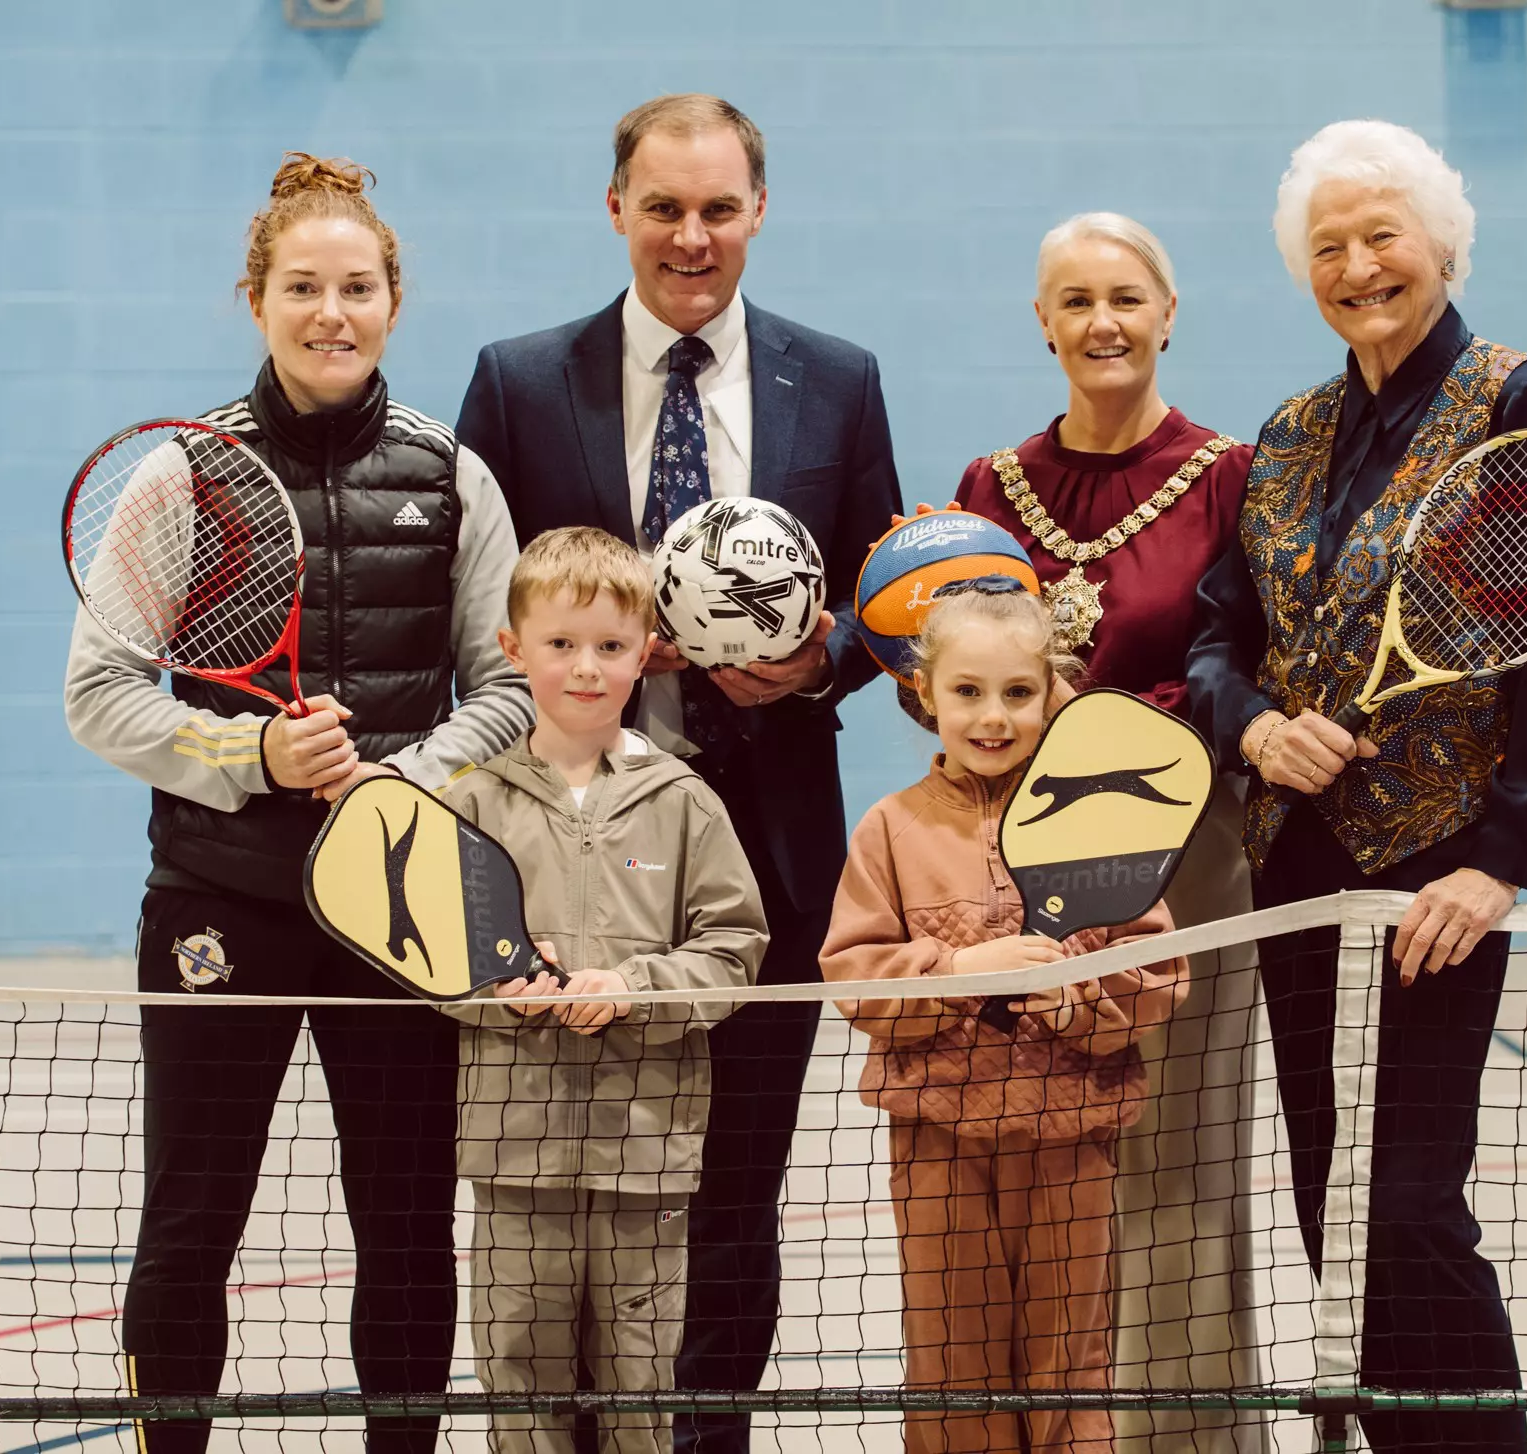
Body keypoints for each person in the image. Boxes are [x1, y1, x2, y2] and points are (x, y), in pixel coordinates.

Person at [64, 153, 532, 1454]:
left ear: (395, 301)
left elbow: (504, 690)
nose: (333, 311)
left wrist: (405, 775)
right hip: (222, 903)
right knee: (192, 1215)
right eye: (303, 286)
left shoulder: (452, 477)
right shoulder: (182, 477)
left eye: (359, 286)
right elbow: (99, 694)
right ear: (254, 298)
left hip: (400, 901)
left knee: (400, 1219)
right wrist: (253, 758)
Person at [455, 93, 901, 1454]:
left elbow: (880, 605)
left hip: (759, 850)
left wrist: (813, 664)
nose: (690, 236)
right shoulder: (522, 381)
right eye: (663, 207)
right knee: (564, 1191)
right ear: (615, 211)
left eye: (718, 208)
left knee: (733, 1185)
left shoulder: (835, 377)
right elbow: (480, 615)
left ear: (759, 211)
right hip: (551, 858)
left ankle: (704, 1440)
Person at [1187, 120, 1527, 1454]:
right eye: (1329, 246)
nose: (1359, 265)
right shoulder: (1287, 434)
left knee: (1410, 1201)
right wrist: (1252, 728)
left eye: (1383, 235)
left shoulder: (1510, 397)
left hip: (1434, 877)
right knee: (1330, 1198)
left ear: (1439, 241)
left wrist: (1503, 856)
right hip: (1296, 872)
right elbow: (1215, 637)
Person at [952, 213, 1265, 1452]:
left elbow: (1245, 663)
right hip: (1022, 859)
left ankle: (1184, 1437)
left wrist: (1130, 729)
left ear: (1168, 310)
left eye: (1125, 296)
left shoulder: (1233, 475)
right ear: (1041, 320)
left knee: (1179, 1163)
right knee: (1039, 1159)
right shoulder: (989, 488)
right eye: (1074, 299)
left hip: (1191, 854)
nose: (1102, 322)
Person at [820, 580, 1188, 1454]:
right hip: (938, 1142)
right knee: (954, 1366)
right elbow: (854, 974)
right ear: (925, 695)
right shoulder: (889, 829)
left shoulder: (1106, 821)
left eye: (1019, 693)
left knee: (1069, 1364)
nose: (994, 716)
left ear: (1053, 692)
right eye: (969, 692)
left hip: (1072, 1138)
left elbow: (1157, 970)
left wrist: (1084, 1001)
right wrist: (958, 970)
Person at [440, 526, 768, 1454]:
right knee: (521, 1385)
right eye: (560, 644)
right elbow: (427, 963)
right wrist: (494, 982)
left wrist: (634, 986)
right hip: (515, 1156)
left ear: (646, 655)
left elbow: (735, 948)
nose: (586, 668)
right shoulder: (470, 802)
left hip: (646, 1153)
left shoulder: (683, 800)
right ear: (513, 650)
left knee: (638, 1387)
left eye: (612, 648)